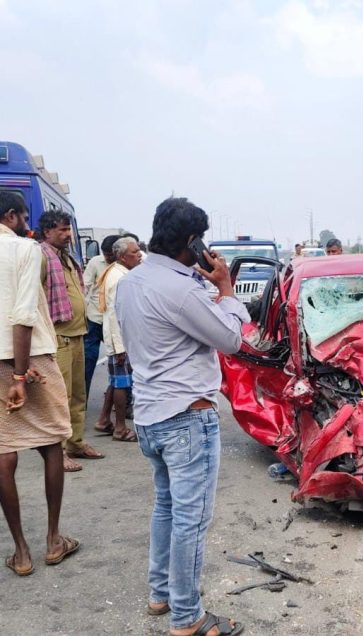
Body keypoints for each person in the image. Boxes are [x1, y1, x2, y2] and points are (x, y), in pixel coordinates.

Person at [116, 197, 246, 636]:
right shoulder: (181, 290)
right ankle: (188, 618)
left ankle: (162, 593)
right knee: (191, 519)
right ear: (193, 241)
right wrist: (226, 290)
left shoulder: (131, 282)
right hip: (187, 418)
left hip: (150, 415)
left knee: (167, 508)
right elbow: (231, 339)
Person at [0, 192, 79, 577]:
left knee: (3, 452)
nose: (26, 223)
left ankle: (21, 552)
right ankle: (53, 540)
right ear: (11, 215)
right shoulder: (24, 250)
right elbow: (24, 312)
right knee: (50, 445)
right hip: (30, 356)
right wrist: (20, 372)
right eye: (24, 216)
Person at [40, 210, 104, 472]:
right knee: (60, 399)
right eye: (62, 230)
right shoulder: (42, 257)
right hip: (58, 337)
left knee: (78, 395)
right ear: (47, 232)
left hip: (77, 334)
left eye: (69, 229)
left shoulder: (66, 257)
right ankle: (58, 453)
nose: (68, 235)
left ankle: (75, 443)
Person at [101, 237, 143, 443]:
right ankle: (120, 428)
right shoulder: (119, 278)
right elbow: (114, 314)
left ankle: (103, 419)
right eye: (135, 253)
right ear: (123, 257)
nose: (140, 255)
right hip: (120, 340)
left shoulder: (121, 273)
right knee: (121, 383)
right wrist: (120, 347)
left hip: (121, 338)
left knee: (116, 380)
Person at [82, 234, 120, 400]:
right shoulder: (95, 262)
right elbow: (85, 286)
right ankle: (82, 402)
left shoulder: (124, 265)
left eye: (110, 255)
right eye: (105, 254)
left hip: (115, 322)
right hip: (95, 319)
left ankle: (121, 400)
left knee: (120, 362)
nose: (107, 258)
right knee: (88, 360)